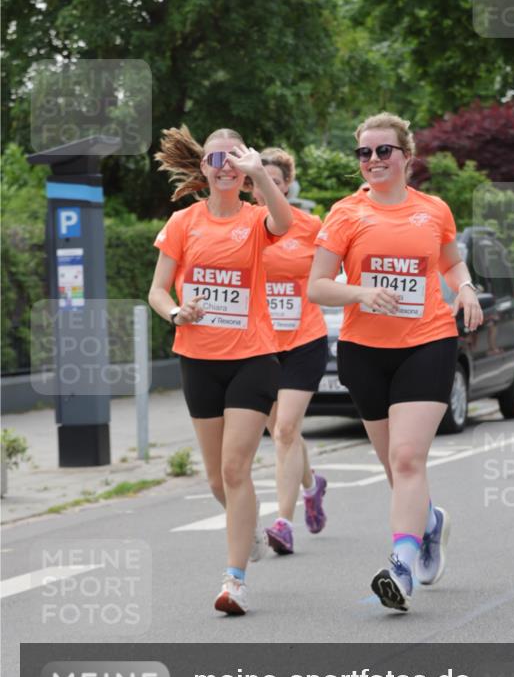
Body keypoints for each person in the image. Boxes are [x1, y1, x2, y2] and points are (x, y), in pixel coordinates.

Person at [308, 112, 483, 612]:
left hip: (427, 341)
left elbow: (451, 262)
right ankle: (429, 523)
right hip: (364, 351)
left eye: (383, 150)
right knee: (393, 465)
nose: (373, 160)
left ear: (406, 155)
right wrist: (361, 293)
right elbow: (317, 286)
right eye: (364, 152)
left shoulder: (434, 210)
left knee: (407, 459)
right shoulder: (345, 213)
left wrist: (465, 288)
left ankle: (401, 568)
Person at [148, 125, 292, 615]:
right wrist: (176, 312)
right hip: (199, 360)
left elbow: (284, 221)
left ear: (245, 165)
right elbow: (158, 290)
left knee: (235, 468)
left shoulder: (255, 218)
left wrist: (261, 176)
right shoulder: (183, 222)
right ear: (204, 168)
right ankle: (250, 529)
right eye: (216, 159)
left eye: (234, 158)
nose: (225, 166)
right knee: (216, 480)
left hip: (252, 358)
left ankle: (235, 581)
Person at [252, 147, 328, 555]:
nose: (265, 188)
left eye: (274, 182)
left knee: (284, 430)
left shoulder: (310, 226)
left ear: (286, 186)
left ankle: (283, 523)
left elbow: (330, 275)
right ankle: (312, 486)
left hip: (303, 340)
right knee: (283, 431)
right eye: (258, 181)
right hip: (260, 345)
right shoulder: (243, 226)